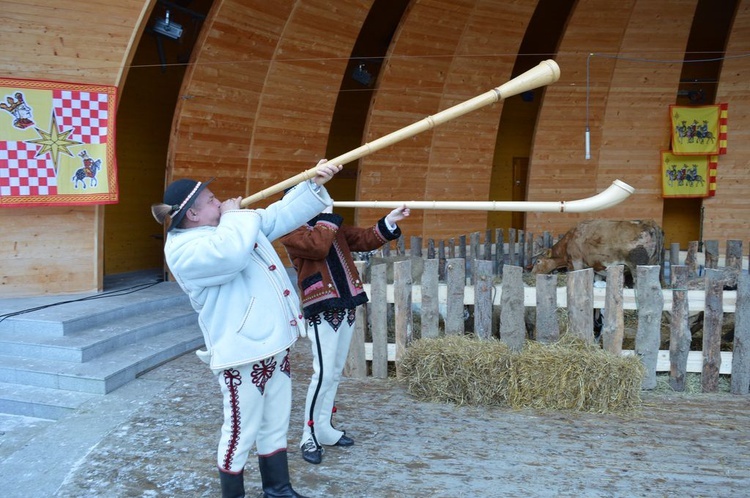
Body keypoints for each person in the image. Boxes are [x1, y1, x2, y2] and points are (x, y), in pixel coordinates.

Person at [151, 159, 342, 498]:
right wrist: (237, 216)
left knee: (275, 423)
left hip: (273, 344)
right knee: (240, 430)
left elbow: (278, 215)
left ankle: (278, 488)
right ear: (193, 214)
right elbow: (229, 256)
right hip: (241, 353)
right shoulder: (183, 250)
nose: (220, 201)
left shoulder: (231, 227)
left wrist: (312, 183)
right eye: (211, 199)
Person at [280, 201, 410, 464]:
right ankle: (308, 434)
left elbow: (362, 238)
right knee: (323, 373)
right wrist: (327, 219)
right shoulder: (291, 229)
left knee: (334, 372)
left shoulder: (330, 225)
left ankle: (324, 429)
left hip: (346, 302)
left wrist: (390, 221)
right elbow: (318, 246)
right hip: (321, 305)